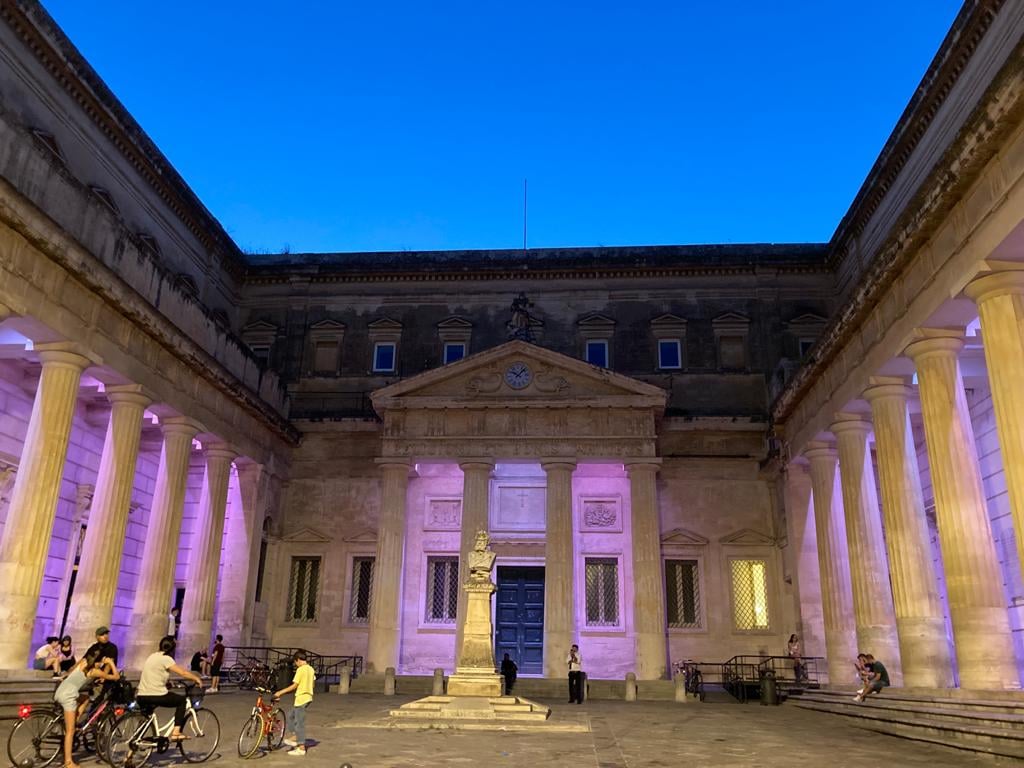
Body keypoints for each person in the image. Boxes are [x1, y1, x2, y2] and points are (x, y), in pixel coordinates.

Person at [53, 645, 119, 768]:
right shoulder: (94, 671)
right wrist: (111, 663)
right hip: (68, 696)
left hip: (60, 691)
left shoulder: (83, 663)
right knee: (70, 732)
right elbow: (116, 677)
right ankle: (68, 762)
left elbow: (72, 673)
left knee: (85, 699)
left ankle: (75, 721)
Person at [136, 635, 203, 742]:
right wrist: (196, 678)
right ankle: (176, 732)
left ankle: (131, 750)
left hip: (141, 695)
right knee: (181, 701)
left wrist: (167, 683)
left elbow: (155, 673)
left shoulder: (152, 656)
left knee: (146, 720)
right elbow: (183, 673)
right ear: (172, 649)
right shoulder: (166, 659)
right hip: (156, 695)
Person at [274, 649, 316, 756]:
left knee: (299, 723)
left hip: (301, 698)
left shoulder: (301, 670)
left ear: (297, 660)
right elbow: (313, 683)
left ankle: (301, 747)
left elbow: (294, 686)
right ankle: (295, 736)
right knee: (290, 715)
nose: (295, 665)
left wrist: (280, 692)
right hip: (307, 697)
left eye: (295, 662)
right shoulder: (311, 669)